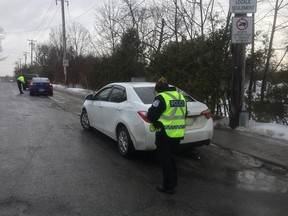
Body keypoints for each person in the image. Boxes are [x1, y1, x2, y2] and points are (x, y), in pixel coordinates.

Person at [147, 77, 187, 194]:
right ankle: (173, 181)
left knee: (165, 159)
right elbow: (184, 114)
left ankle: (168, 187)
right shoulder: (180, 96)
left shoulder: (161, 98)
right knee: (171, 158)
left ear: (158, 89)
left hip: (164, 134)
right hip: (178, 133)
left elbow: (151, 115)